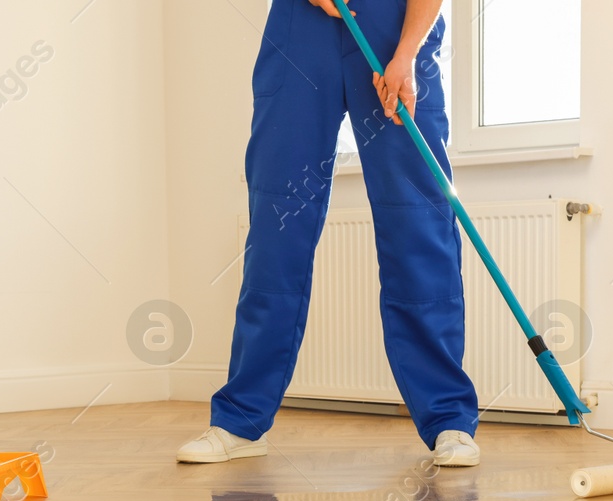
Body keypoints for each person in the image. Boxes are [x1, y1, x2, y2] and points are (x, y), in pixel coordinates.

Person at [178, 0, 480, 468]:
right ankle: (240, 419)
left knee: (418, 223)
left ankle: (448, 420)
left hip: (395, 28)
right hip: (301, 27)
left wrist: (405, 54)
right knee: (277, 222)